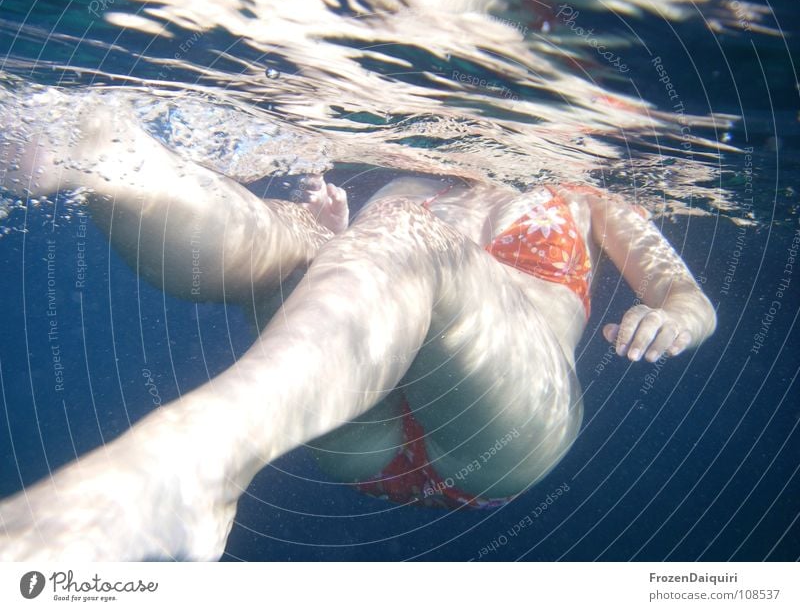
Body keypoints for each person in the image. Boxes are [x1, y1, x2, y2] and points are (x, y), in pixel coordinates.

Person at [0, 90, 716, 560]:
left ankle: (193, 467)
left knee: (412, 235)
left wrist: (672, 316)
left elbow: (689, 297)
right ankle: (108, 155)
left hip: (501, 425)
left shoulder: (586, 192)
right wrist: (326, 244)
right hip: (348, 406)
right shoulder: (405, 160)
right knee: (292, 237)